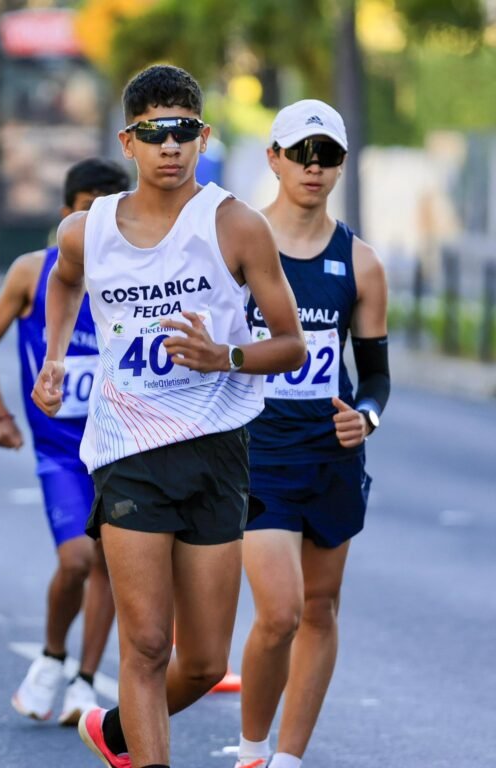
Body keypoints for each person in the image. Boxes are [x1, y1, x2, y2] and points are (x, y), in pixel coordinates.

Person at [31, 64, 307, 768]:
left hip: (216, 447)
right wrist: (56, 357)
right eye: (155, 133)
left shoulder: (233, 224)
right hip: (129, 450)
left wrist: (227, 358)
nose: (171, 146)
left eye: (184, 130)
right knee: (147, 644)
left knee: (205, 662)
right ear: (129, 142)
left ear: (203, 135)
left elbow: (290, 342)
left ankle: (116, 729)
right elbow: (60, 284)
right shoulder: (86, 230)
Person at [233, 101, 390, 768]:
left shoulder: (361, 263)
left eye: (328, 155)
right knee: (280, 613)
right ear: (274, 158)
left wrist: (369, 417)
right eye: (301, 153)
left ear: (342, 166)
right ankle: (250, 749)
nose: (314, 167)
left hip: (330, 454)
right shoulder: (236, 243)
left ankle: (289, 760)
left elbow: (376, 376)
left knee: (321, 607)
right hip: (257, 453)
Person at [0, 158, 129, 725]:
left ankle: (85, 681)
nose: (97, 222)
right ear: (67, 213)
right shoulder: (31, 273)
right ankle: (52, 655)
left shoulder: (134, 278)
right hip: (59, 449)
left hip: (118, 444)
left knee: (112, 562)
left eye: (109, 210)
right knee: (76, 558)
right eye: (87, 209)